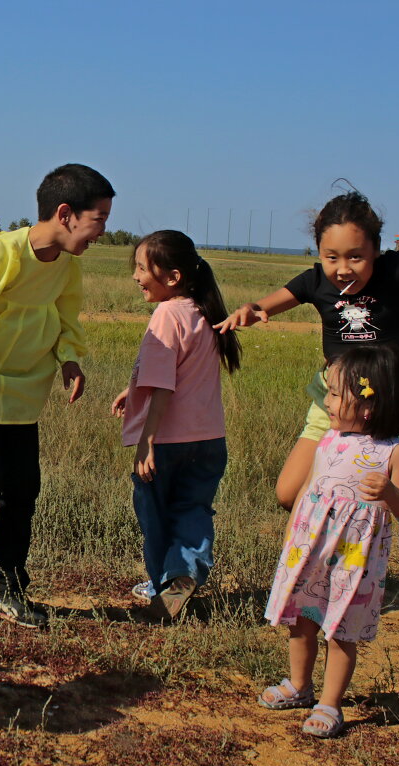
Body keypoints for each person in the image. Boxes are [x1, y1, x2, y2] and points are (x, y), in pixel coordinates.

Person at [217, 187, 399, 561]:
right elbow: (264, 304)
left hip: (395, 394)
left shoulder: (398, 267)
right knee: (288, 493)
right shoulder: (315, 281)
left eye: (356, 257)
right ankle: (334, 539)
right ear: (318, 253)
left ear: (377, 251)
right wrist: (249, 310)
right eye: (331, 257)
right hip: (335, 399)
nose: (343, 268)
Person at [0, 163, 114, 627]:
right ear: (66, 214)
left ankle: (7, 587)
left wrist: (69, 359)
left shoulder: (67, 265)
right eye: (100, 221)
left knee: (23, 492)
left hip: (25, 393)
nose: (102, 233)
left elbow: (65, 314)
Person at [259, 345, 399, 737]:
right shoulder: (328, 441)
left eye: (334, 393)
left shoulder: (394, 453)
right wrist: (291, 536)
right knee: (301, 621)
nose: (327, 401)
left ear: (369, 405)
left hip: (354, 559)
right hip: (311, 549)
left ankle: (330, 704)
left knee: (341, 630)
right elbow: (308, 490)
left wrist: (392, 494)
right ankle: (300, 685)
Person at [111, 231, 241, 621]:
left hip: (166, 442)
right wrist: (130, 389)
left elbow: (164, 384)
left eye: (141, 267)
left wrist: (146, 441)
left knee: (156, 516)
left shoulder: (166, 314)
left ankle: (163, 585)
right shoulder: (204, 311)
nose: (135, 275)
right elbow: (179, 370)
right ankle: (184, 573)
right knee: (193, 509)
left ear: (172, 277)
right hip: (208, 440)